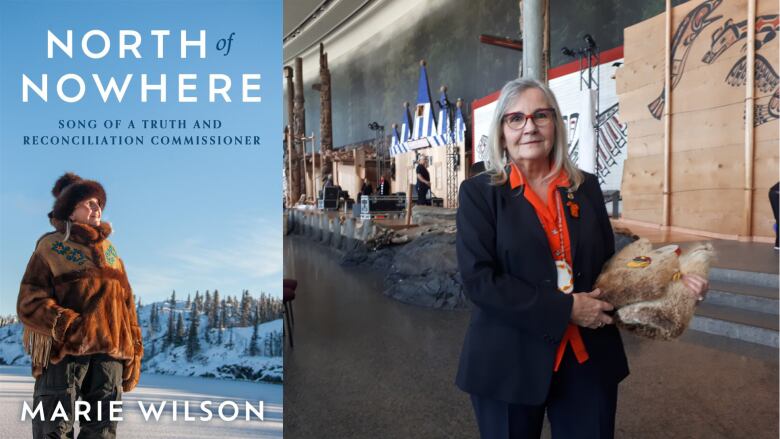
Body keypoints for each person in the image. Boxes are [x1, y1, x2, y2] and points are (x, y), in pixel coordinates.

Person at [455, 78, 708, 439]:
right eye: (516, 118)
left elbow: (610, 265)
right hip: (508, 362)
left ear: (556, 124)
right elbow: (480, 281)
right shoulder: (480, 193)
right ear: (502, 131)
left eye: (540, 115)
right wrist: (566, 310)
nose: (529, 127)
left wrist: (671, 278)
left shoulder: (584, 186)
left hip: (587, 358)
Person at [17, 172, 143, 439]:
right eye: (88, 203)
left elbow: (127, 306)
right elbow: (30, 301)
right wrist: (68, 326)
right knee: (54, 430)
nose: (97, 208)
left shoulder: (111, 252)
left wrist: (133, 352)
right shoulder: (51, 246)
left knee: (102, 431)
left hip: (109, 358)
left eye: (99, 202)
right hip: (65, 353)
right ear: (70, 212)